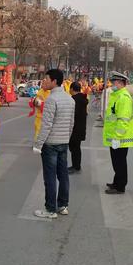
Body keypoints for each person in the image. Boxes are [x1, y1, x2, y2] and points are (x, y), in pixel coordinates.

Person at [33, 69, 75, 219]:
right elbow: (71, 124)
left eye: (46, 79)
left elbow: (47, 125)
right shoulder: (70, 99)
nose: (44, 82)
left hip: (50, 144)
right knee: (63, 175)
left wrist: (38, 144)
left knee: (50, 177)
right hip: (63, 142)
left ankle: (50, 208)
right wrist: (66, 138)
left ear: (54, 81)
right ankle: (63, 205)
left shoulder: (51, 99)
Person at [103, 71, 133, 194]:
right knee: (117, 162)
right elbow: (114, 115)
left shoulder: (123, 98)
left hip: (120, 137)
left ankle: (120, 186)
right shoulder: (117, 95)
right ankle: (116, 182)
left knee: (120, 162)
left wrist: (117, 136)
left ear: (120, 83)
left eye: (113, 82)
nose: (112, 84)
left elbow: (123, 120)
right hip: (116, 136)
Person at [68, 81, 88, 173]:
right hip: (81, 127)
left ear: (72, 89)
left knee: (74, 148)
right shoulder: (83, 98)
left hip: (74, 128)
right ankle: (77, 165)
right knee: (77, 148)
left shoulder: (74, 100)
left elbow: (72, 115)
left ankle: (75, 166)